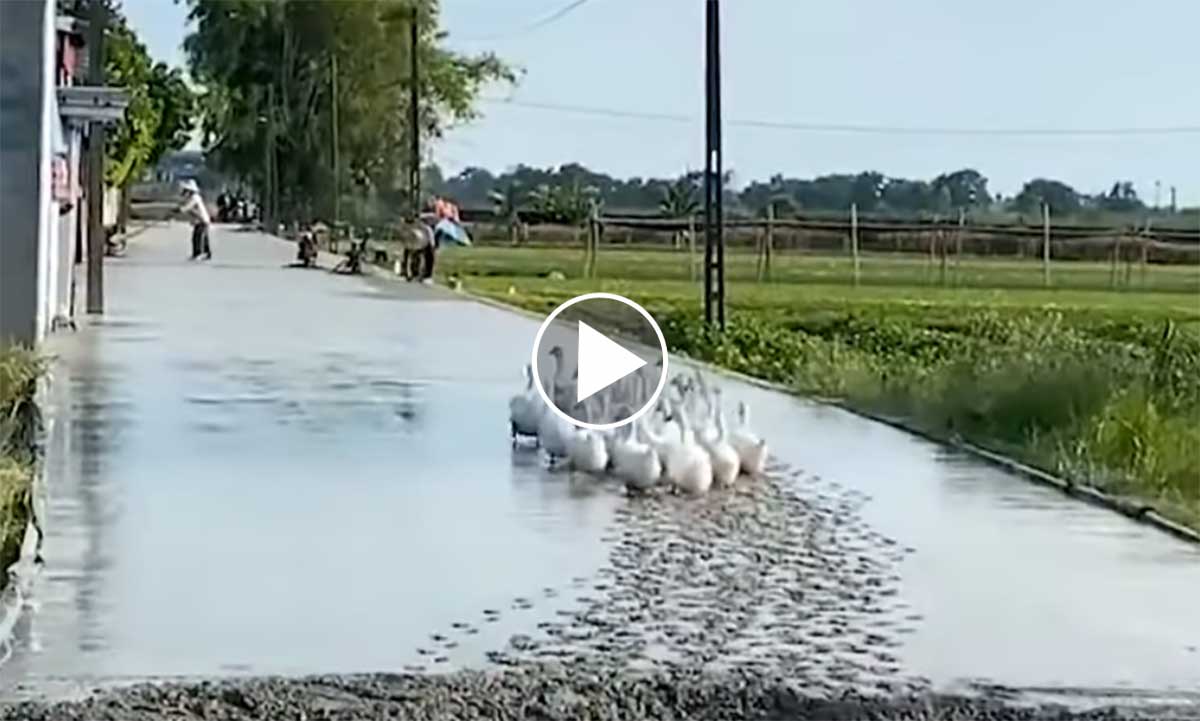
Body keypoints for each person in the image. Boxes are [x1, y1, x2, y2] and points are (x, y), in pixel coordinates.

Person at [178, 179, 212, 260]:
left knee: (199, 237)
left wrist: (180, 210)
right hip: (199, 221)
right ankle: (200, 253)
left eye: (185, 191)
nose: (184, 193)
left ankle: (201, 253)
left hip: (202, 220)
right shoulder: (191, 198)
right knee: (198, 237)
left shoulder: (195, 198)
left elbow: (188, 207)